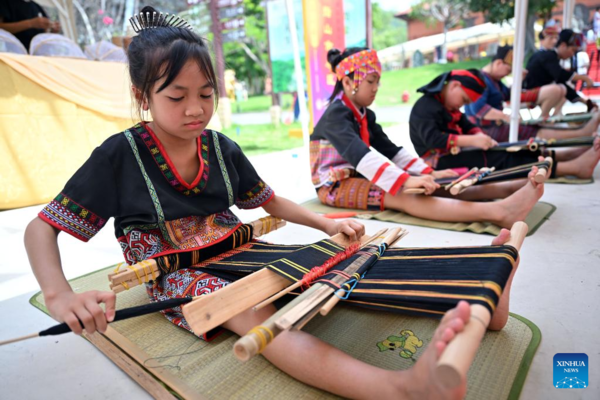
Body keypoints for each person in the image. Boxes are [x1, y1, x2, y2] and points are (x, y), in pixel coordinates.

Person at [22, 7, 521, 399]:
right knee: (254, 315)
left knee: (341, 262)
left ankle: (481, 286)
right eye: (176, 97)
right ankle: (396, 388)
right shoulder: (119, 155)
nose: (195, 109)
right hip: (170, 269)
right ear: (142, 95)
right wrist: (61, 295)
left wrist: (323, 224)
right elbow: (41, 228)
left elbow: (269, 200)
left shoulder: (219, 147)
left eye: (206, 93)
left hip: (236, 247)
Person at [311, 48, 547, 228]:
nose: (376, 88)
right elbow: (359, 154)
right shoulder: (336, 115)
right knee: (404, 193)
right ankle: (499, 213)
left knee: (431, 184)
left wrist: (427, 173)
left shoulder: (363, 114)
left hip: (360, 175)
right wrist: (405, 180)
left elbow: (390, 149)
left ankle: (508, 187)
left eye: (377, 82)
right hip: (334, 185)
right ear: (348, 82)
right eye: (370, 82)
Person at [410, 68, 600, 179]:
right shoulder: (426, 107)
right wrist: (472, 141)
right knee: (500, 160)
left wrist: (478, 135)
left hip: (455, 152)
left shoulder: (446, 105)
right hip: (439, 162)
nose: (463, 105)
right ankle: (571, 168)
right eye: (465, 100)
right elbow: (433, 139)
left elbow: (466, 123)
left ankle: (565, 156)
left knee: (514, 148)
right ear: (454, 86)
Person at [465, 45, 600, 142]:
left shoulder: (495, 81)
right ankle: (581, 134)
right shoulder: (480, 80)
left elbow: (508, 95)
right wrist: (506, 117)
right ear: (499, 63)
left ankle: (578, 135)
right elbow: (479, 110)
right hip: (484, 130)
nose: (509, 72)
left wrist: (520, 79)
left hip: (495, 126)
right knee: (534, 131)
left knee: (532, 128)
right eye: (509, 69)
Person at [523, 29, 596, 112]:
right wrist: (584, 78)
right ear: (563, 45)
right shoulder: (548, 55)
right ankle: (544, 117)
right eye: (573, 50)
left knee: (562, 88)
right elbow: (561, 75)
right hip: (529, 92)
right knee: (558, 89)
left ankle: (554, 116)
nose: (572, 54)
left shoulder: (551, 57)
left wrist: (585, 102)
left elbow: (561, 81)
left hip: (539, 91)